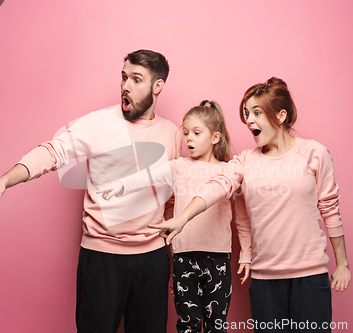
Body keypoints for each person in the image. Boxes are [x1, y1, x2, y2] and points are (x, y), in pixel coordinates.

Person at [0, 49, 183, 333]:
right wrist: (4, 181)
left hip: (152, 262)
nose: (125, 86)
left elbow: (172, 198)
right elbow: (53, 152)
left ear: (157, 86)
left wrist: (171, 255)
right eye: (124, 77)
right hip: (102, 260)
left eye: (136, 79)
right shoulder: (98, 123)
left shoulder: (172, 133)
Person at [150, 78, 352, 332]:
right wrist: (182, 218)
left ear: (280, 115)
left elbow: (330, 208)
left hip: (309, 277)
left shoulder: (314, 153)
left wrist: (342, 264)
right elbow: (219, 187)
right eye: (247, 114)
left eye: (256, 112)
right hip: (264, 280)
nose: (249, 120)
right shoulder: (245, 161)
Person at [97, 100, 252, 333]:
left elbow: (242, 218)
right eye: (186, 132)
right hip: (184, 258)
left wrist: (247, 254)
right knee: (187, 325)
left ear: (215, 137)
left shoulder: (227, 172)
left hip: (218, 258)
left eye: (197, 133)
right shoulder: (178, 167)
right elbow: (147, 176)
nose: (189, 138)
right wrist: (121, 185)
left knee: (216, 326)